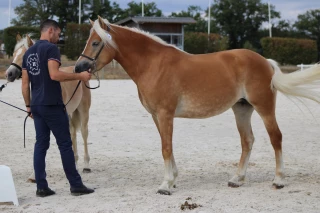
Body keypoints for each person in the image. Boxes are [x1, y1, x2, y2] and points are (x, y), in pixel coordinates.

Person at [21, 19, 94, 197]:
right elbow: (54, 75)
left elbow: (24, 85)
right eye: (58, 34)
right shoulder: (51, 49)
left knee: (40, 145)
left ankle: (41, 187)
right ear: (51, 31)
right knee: (65, 144)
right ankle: (76, 185)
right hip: (52, 104)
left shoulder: (28, 52)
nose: (58, 38)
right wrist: (80, 76)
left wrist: (29, 106)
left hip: (37, 105)